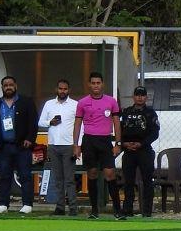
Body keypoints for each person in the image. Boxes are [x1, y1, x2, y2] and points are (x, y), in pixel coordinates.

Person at [73, 71, 122, 220]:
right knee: (92, 173)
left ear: (102, 84)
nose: (95, 86)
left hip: (105, 141)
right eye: (93, 83)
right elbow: (77, 124)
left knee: (110, 174)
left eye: (98, 83)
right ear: (89, 84)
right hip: (89, 141)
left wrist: (118, 143)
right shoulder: (82, 102)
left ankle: (117, 211)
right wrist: (76, 145)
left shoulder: (111, 101)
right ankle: (94, 211)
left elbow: (116, 123)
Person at [0, 75, 38, 214]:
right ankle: (3, 204)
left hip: (22, 146)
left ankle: (27, 204)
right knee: (4, 176)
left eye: (11, 85)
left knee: (25, 175)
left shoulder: (26, 102)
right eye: (5, 85)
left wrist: (30, 139)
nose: (8, 87)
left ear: (16, 86)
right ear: (2, 87)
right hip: (4, 147)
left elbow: (33, 123)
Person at [37, 78, 78, 215]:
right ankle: (60, 207)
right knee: (58, 178)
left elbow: (80, 126)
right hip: (53, 145)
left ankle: (73, 207)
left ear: (69, 90)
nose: (62, 91)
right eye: (60, 89)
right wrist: (50, 122)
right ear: (56, 89)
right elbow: (41, 122)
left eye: (65, 89)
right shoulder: (49, 104)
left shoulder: (75, 105)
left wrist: (77, 145)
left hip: (68, 145)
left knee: (69, 179)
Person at [119, 86, 161, 218]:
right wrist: (124, 144)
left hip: (145, 151)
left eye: (142, 95)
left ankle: (147, 210)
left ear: (146, 97)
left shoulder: (150, 113)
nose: (140, 97)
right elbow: (119, 129)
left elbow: (155, 133)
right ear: (133, 97)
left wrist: (142, 144)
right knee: (128, 182)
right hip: (128, 151)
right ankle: (127, 209)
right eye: (137, 95)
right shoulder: (126, 112)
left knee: (147, 181)